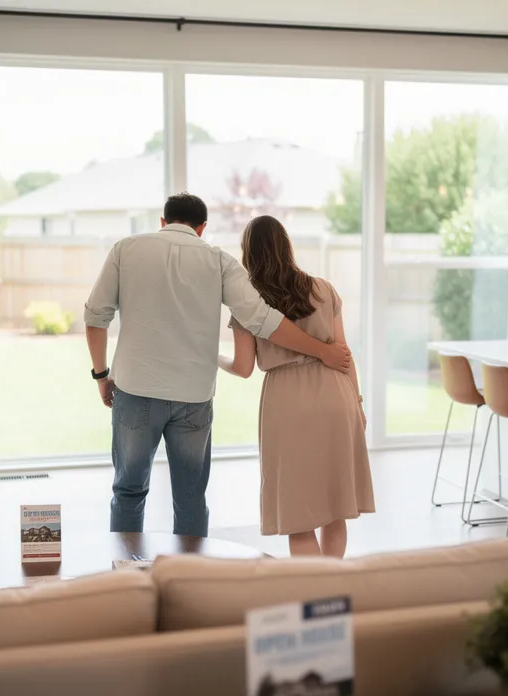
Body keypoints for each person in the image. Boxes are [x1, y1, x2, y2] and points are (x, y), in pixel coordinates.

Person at [84, 194, 352, 537]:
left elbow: (95, 317)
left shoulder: (125, 249)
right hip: (193, 397)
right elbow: (262, 319)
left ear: (163, 222)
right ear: (202, 227)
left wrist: (101, 375)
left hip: (135, 390)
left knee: (129, 491)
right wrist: (322, 351)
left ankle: (125, 576)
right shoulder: (220, 261)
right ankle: (192, 579)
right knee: (191, 497)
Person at [218, 215, 374, 558]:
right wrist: (358, 404)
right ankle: (331, 588)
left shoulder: (248, 302)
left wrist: (213, 357)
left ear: (248, 253)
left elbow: (243, 368)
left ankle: (313, 592)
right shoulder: (324, 289)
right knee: (336, 506)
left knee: (298, 514)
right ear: (286, 246)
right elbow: (344, 354)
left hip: (287, 403)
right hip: (336, 394)